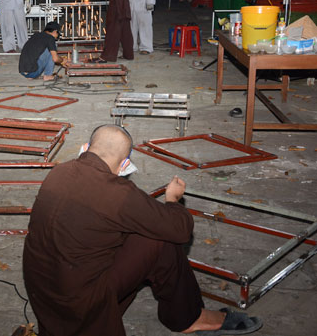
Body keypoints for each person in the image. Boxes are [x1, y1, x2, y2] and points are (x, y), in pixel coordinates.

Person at [23, 124, 263, 336]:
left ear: (85, 148)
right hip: (80, 301)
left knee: (137, 226)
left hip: (44, 292)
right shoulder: (119, 193)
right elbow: (179, 229)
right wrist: (172, 200)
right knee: (161, 239)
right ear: (124, 164)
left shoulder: (58, 172)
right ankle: (189, 317)